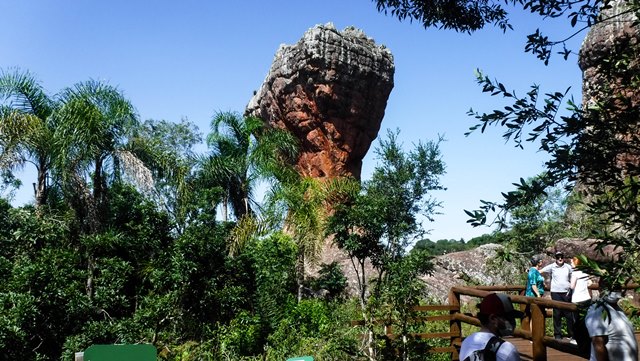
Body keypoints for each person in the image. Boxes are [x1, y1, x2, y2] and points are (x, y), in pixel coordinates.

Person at [460, 292, 524, 361]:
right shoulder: (506, 350)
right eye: (508, 318)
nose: (512, 322)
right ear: (493, 319)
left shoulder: (466, 343)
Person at [585, 283, 638, 361]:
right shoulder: (598, 311)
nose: (614, 291)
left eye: (617, 288)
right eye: (609, 288)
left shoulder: (618, 309)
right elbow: (598, 344)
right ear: (600, 289)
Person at [541, 251, 574, 340]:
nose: (560, 259)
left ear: (563, 257)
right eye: (558, 257)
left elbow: (574, 275)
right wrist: (531, 271)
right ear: (555, 258)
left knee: (568, 313)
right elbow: (541, 271)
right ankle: (557, 334)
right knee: (557, 313)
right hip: (555, 292)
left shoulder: (568, 267)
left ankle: (571, 334)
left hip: (566, 292)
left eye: (561, 257)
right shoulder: (552, 266)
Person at [570, 256, 593, 353]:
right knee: (586, 320)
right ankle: (587, 339)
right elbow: (589, 283)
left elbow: (572, 286)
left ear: (575, 263)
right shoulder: (585, 272)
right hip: (586, 298)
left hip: (577, 299)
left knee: (576, 321)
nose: (571, 262)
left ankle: (577, 340)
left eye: (572, 261)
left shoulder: (575, 273)